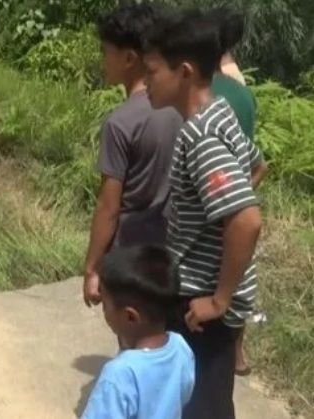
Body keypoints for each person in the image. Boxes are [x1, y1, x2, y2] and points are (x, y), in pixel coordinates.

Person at [143, 9, 264, 419]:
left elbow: (246, 220)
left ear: (185, 72)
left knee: (203, 407)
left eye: (153, 71)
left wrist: (219, 298)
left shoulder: (201, 136)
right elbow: (256, 166)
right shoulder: (220, 113)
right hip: (204, 294)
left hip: (202, 307)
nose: (145, 84)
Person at [83, 3, 183, 310]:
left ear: (128, 58)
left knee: (133, 338)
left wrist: (92, 268)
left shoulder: (121, 123)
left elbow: (109, 208)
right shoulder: (181, 109)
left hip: (131, 258)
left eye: (106, 51)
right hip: (174, 254)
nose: (103, 61)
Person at [209, 6, 269, 377]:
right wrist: (243, 191)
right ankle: (237, 351)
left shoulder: (207, 89)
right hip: (238, 189)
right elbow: (255, 159)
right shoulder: (242, 91)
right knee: (239, 269)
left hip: (213, 192)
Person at [81, 245, 195, 419]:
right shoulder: (181, 348)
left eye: (105, 305)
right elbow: (184, 394)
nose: (103, 311)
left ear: (130, 316)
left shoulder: (119, 374)